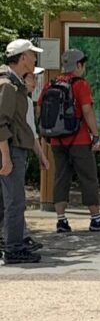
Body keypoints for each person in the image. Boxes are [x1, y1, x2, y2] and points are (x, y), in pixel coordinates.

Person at [48, 49, 100, 233]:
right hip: (79, 139)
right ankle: (96, 218)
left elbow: (41, 110)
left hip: (57, 141)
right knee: (88, 177)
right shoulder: (80, 84)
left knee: (61, 178)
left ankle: (61, 221)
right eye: (82, 64)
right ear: (78, 65)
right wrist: (96, 134)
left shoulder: (51, 84)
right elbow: (87, 111)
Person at [0, 38, 45, 264]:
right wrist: (6, 157)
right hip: (10, 149)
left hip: (13, 148)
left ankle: (10, 244)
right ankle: (14, 248)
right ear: (23, 57)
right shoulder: (7, 85)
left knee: (7, 201)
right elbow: (1, 123)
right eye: (32, 54)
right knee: (15, 201)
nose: (35, 59)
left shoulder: (13, 82)